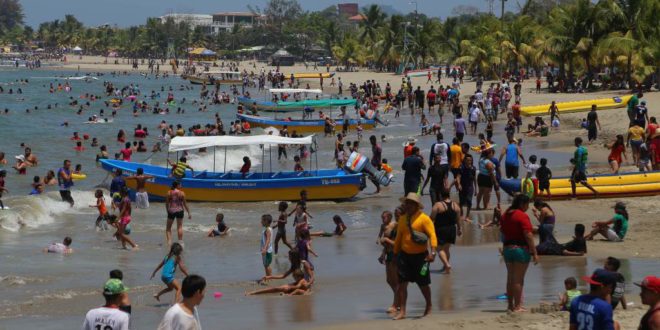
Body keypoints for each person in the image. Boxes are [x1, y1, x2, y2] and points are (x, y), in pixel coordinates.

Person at [392, 193, 438, 320]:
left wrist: (433, 253)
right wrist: (395, 255)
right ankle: (403, 311)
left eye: (411, 203)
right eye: (407, 203)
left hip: (421, 258)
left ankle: (429, 306)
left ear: (416, 205)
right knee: (401, 284)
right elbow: (398, 238)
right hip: (404, 256)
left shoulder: (424, 219)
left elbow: (432, 235)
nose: (408, 205)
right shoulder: (402, 219)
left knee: (423, 284)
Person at [500, 194, 538, 312]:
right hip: (520, 249)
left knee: (510, 278)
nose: (527, 207)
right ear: (522, 204)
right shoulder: (522, 216)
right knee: (518, 279)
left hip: (507, 249)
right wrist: (535, 252)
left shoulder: (505, 214)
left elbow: (502, 232)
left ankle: (510, 305)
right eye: (527, 204)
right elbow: (528, 234)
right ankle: (518, 306)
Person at [430, 189, 461, 274]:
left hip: (441, 229)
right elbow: (458, 219)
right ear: (449, 195)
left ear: (441, 195)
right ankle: (445, 266)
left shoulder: (438, 205)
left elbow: (431, 218)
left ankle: (447, 264)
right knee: (446, 249)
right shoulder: (456, 205)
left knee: (439, 248)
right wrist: (459, 229)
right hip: (452, 229)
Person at [378, 209, 400, 314]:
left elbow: (398, 244)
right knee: (389, 280)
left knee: (396, 281)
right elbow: (387, 243)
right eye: (396, 215)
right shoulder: (390, 227)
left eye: (398, 215)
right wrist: (382, 254)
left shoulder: (397, 226)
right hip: (389, 254)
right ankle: (399, 299)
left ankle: (395, 304)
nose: (397, 217)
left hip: (396, 255)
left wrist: (386, 240)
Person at [165, 181, 191, 247]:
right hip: (180, 210)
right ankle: (180, 242)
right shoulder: (182, 193)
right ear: (177, 185)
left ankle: (169, 242)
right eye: (180, 185)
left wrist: (167, 210)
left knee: (168, 229)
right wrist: (189, 213)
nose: (181, 186)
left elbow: (167, 203)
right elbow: (185, 204)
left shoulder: (169, 192)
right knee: (179, 227)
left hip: (171, 210)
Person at [456, 154, 477, 222]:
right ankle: (462, 214)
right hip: (462, 187)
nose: (469, 161)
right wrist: (459, 184)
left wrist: (476, 189)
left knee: (469, 201)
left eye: (470, 160)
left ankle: (467, 216)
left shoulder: (473, 168)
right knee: (461, 202)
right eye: (468, 160)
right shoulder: (461, 167)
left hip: (470, 187)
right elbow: (458, 177)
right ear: (465, 160)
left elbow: (474, 179)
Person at [260, 214, 274, 279]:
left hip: (267, 250)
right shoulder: (269, 229)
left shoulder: (267, 230)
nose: (261, 222)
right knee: (267, 265)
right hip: (269, 250)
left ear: (266, 221)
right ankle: (269, 277)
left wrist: (265, 249)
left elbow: (268, 239)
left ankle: (268, 278)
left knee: (266, 265)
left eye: (262, 220)